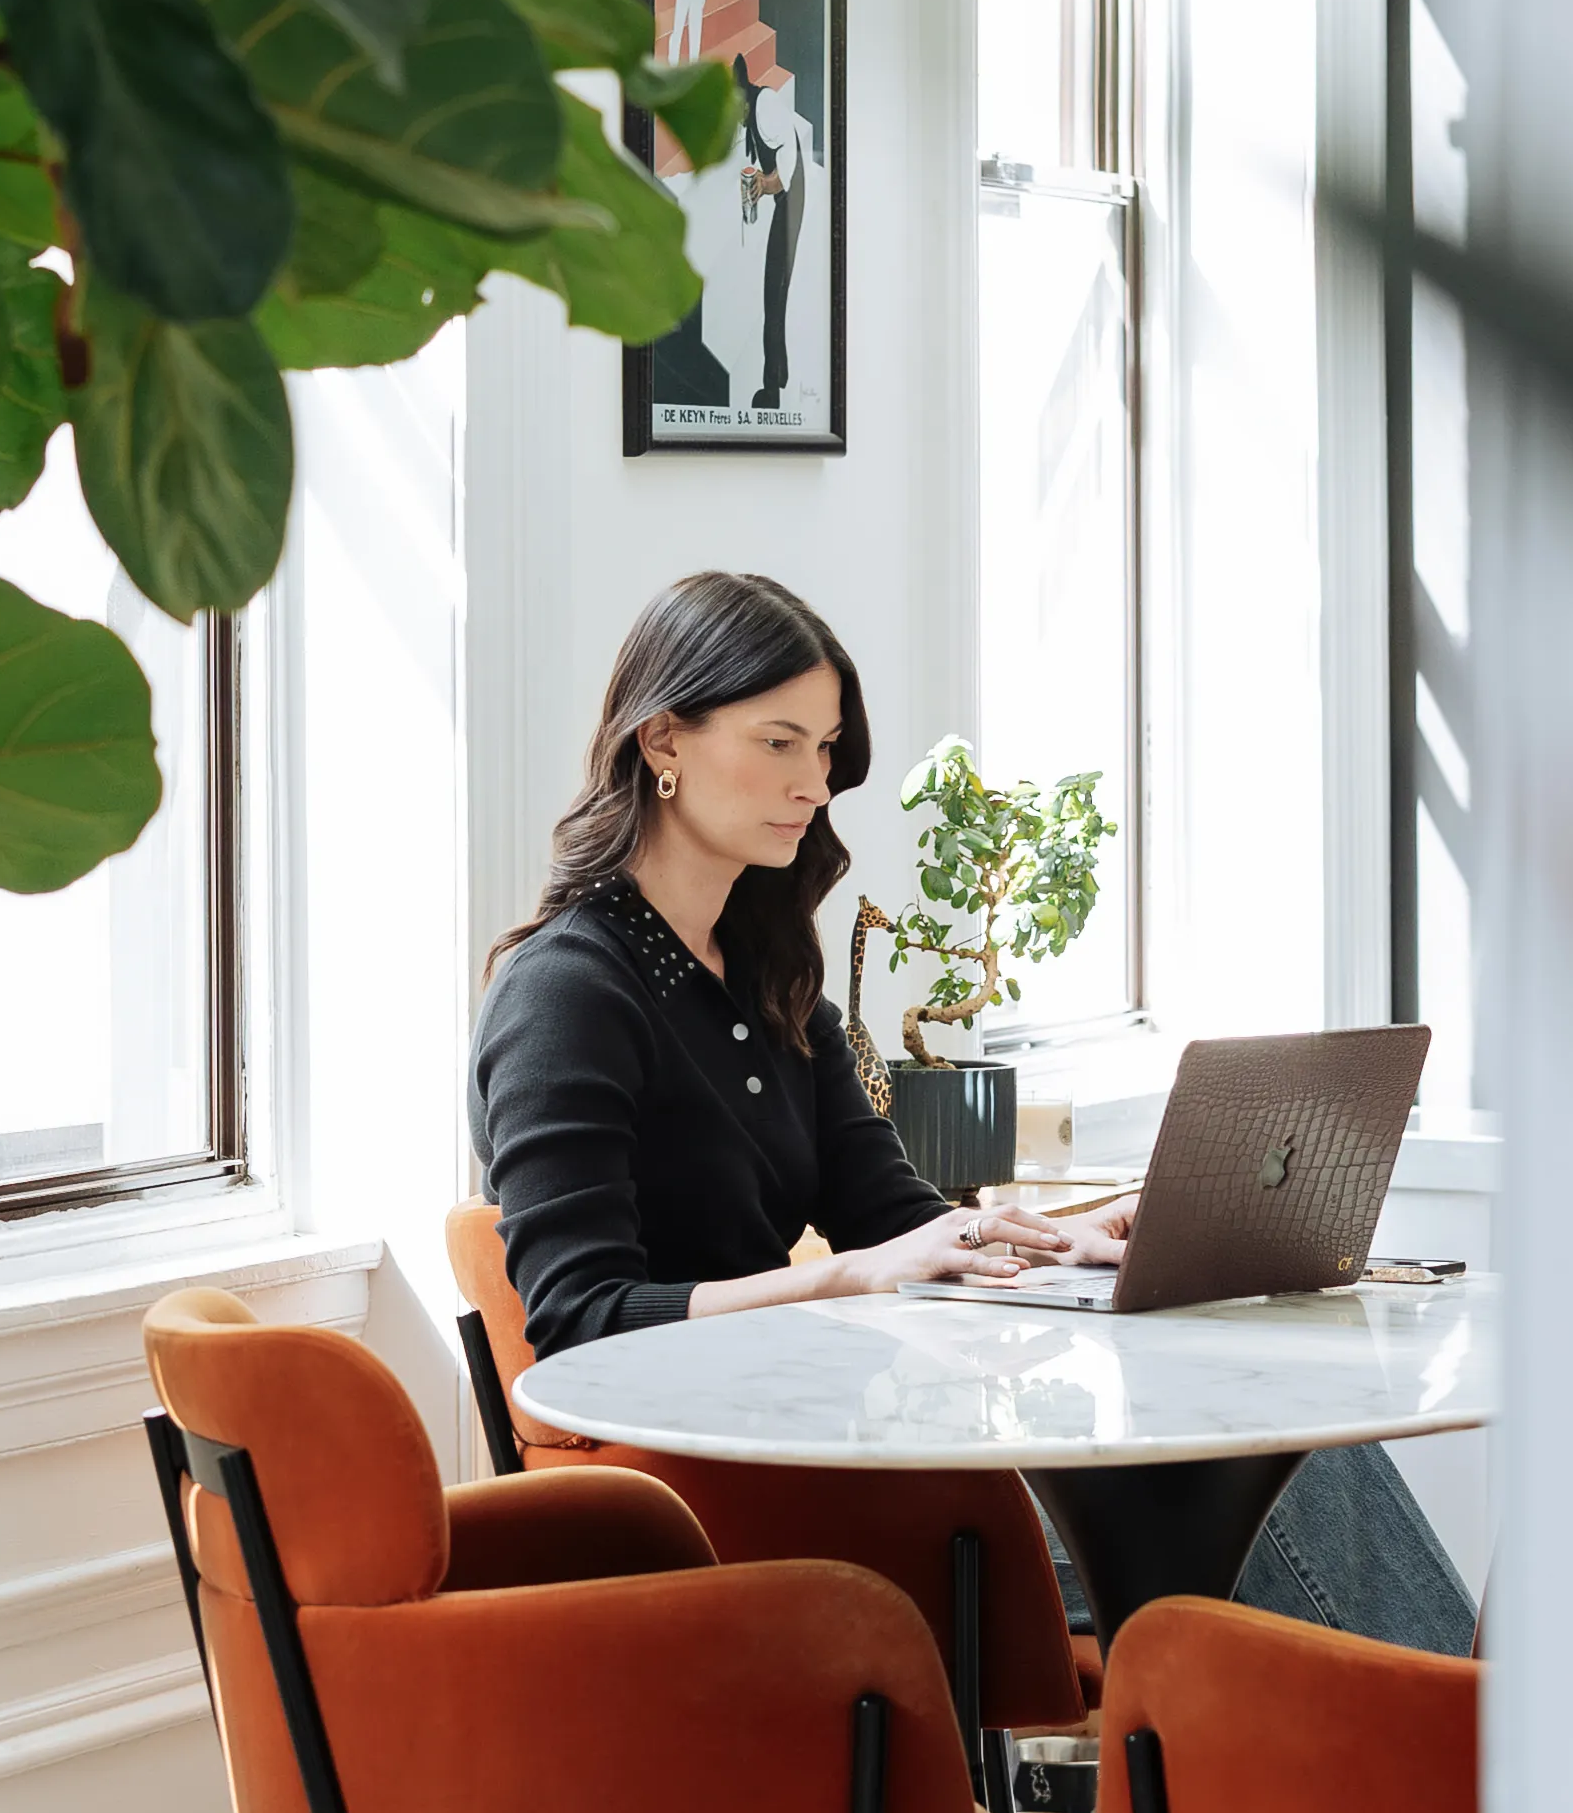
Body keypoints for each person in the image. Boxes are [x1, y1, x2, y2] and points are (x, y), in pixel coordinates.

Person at [470, 570, 1475, 1657]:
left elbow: (888, 1212)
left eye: (826, 749)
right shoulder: (568, 992)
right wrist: (843, 1276)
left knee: (1281, 1440)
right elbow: (574, 1322)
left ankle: (1422, 1766)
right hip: (739, 1500)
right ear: (662, 741)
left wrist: (1055, 1241)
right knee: (1248, 1483)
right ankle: (1465, 1773)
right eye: (778, 742)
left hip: (843, 1443)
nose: (813, 781)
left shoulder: (765, 970)